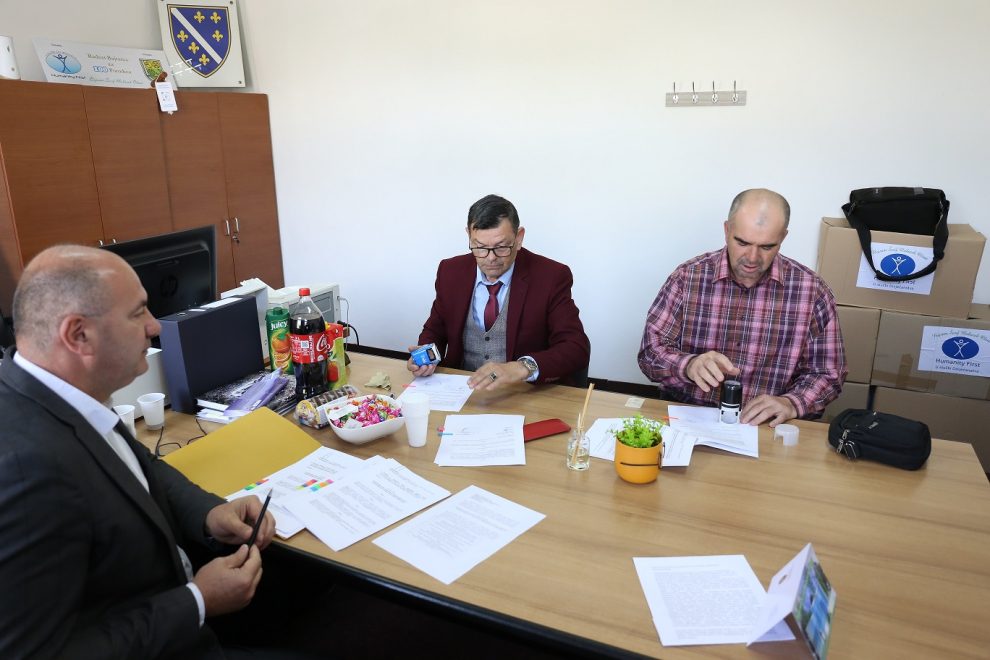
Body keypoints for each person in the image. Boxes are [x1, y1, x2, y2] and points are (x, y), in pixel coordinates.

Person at [0, 245, 278, 659]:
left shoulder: (63, 390)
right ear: (78, 335)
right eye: (137, 313)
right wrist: (197, 601)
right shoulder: (25, 468)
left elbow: (135, 462)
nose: (155, 326)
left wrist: (208, 513)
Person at [637, 189, 847, 426]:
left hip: (766, 425)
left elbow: (828, 372)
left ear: (783, 237)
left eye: (767, 246)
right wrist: (688, 365)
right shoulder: (687, 278)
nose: (752, 258)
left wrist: (792, 403)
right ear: (727, 230)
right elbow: (650, 353)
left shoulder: (812, 292)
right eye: (742, 242)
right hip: (690, 414)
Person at [408, 194, 591, 390]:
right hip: (461, 389)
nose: (491, 258)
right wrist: (424, 356)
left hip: (521, 393)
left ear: (519, 238)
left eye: (501, 247)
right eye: (480, 247)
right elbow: (435, 330)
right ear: (469, 236)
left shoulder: (551, 276)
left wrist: (523, 367)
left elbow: (575, 347)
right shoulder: (450, 271)